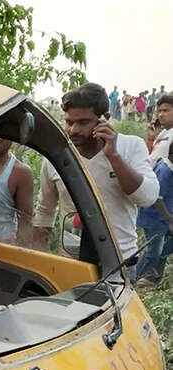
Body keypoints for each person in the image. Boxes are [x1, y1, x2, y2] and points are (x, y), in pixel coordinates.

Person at [33, 83, 159, 265]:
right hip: (72, 262)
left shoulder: (131, 146)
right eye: (69, 122)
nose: (73, 130)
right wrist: (39, 257)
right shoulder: (57, 156)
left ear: (105, 119)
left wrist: (113, 155)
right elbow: (45, 210)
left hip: (120, 262)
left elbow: (147, 197)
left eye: (83, 122)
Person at [134, 142, 173, 288]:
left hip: (164, 217)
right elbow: (158, 198)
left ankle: (151, 278)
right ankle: (132, 280)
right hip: (155, 218)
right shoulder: (165, 171)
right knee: (153, 253)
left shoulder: (168, 167)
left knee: (161, 250)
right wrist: (169, 219)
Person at [149, 93, 173, 166]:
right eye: (159, 111)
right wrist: (151, 138)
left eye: (165, 111)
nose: (161, 115)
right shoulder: (164, 132)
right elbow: (153, 155)